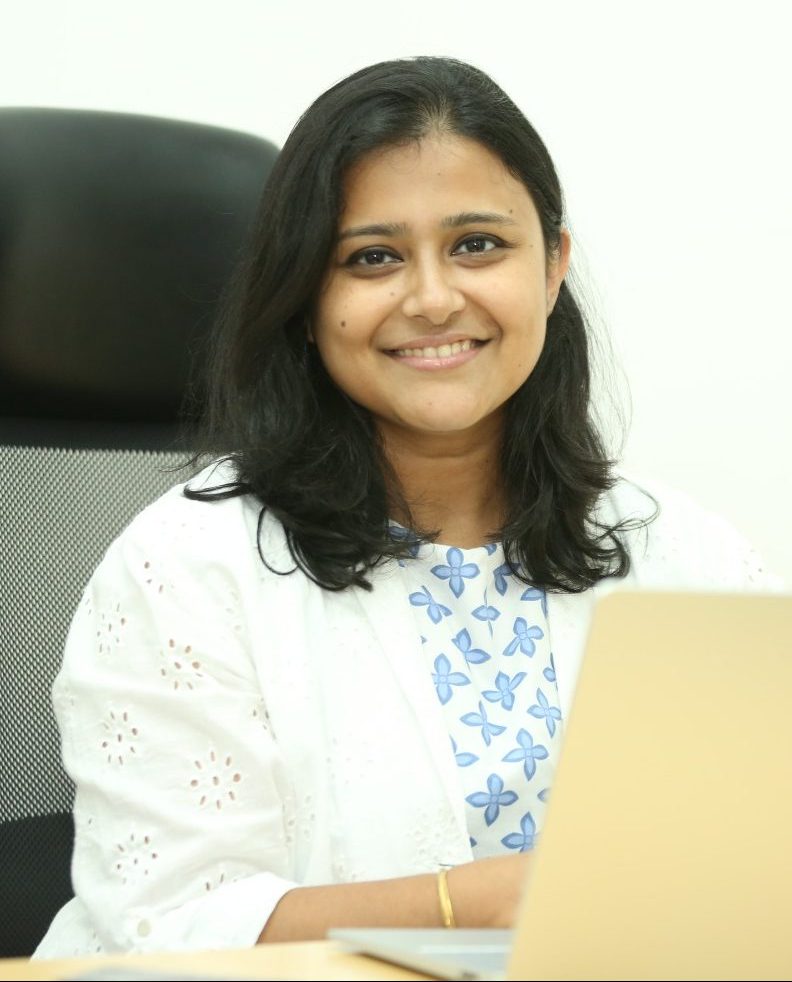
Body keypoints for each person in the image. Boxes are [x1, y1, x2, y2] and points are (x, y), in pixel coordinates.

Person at [35, 56, 778, 957]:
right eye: (373, 258)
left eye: (478, 245)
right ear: (307, 297)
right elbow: (167, 926)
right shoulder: (186, 567)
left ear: (553, 266)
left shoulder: (687, 555)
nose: (432, 299)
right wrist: (475, 904)